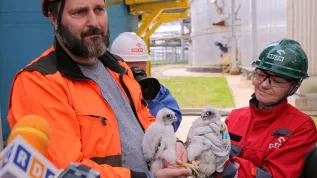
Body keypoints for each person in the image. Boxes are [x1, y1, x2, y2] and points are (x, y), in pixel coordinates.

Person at [7, 0, 192, 178]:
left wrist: (172, 144)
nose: (94, 23)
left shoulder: (118, 68)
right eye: (79, 12)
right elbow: (65, 171)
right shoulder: (39, 82)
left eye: (99, 9)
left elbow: (145, 119)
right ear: (54, 18)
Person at [206, 39, 317, 177]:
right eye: (261, 74)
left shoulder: (301, 128)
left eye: (277, 80)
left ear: (294, 86)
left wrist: (224, 167)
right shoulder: (235, 117)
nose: (264, 84)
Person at [110, 32, 182, 132]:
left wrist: (148, 101)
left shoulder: (155, 89)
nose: (137, 69)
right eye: (130, 64)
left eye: (141, 62)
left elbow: (173, 122)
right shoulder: (108, 90)